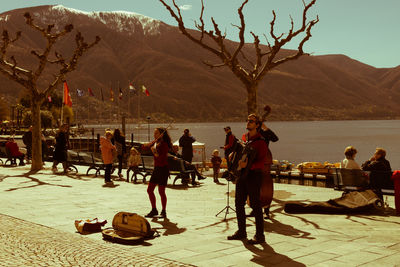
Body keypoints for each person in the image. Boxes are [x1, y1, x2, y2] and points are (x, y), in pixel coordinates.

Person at [228, 114, 267, 244]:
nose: (248, 123)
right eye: (247, 120)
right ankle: (241, 231)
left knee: (256, 206)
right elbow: (240, 150)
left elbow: (262, 162)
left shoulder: (261, 141)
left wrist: (249, 166)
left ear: (257, 125)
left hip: (254, 175)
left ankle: (260, 236)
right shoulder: (244, 138)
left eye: (251, 121)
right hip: (241, 175)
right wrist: (233, 155)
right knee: (238, 203)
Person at [143, 127, 172, 218]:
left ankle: (163, 211)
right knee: (149, 190)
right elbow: (144, 147)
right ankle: (154, 210)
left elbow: (162, 158)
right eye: (154, 133)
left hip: (163, 169)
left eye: (156, 133)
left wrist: (155, 152)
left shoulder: (164, 144)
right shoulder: (156, 142)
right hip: (156, 169)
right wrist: (146, 145)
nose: (154, 134)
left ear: (161, 134)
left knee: (161, 191)